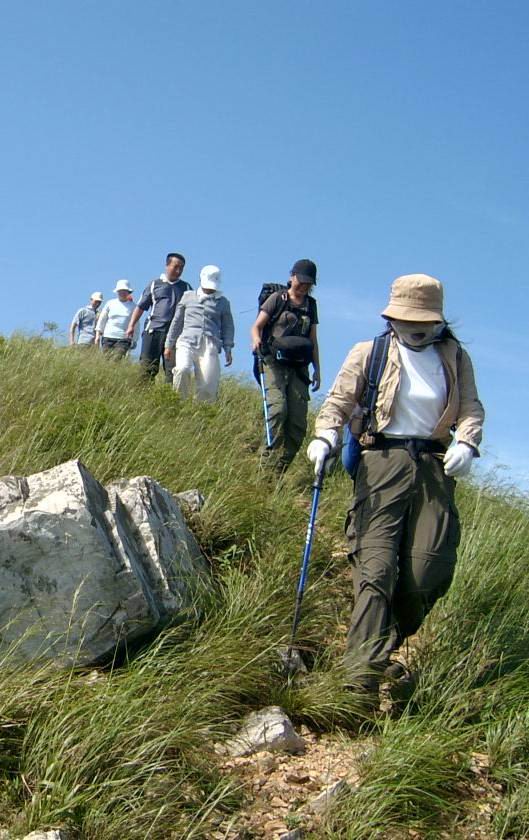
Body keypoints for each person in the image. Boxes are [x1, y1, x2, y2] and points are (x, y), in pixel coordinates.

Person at [307, 273, 485, 702]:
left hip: (435, 469)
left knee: (427, 571)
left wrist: (466, 441)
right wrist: (325, 435)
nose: (415, 329)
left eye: (423, 322)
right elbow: (338, 401)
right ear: (391, 318)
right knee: (377, 571)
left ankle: (380, 642)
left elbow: (471, 408)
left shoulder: (454, 357)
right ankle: (358, 685)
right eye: (407, 320)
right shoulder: (369, 352)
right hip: (381, 464)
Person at [251, 259, 321, 473]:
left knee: (298, 424)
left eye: (308, 283)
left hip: (299, 368)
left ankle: (279, 470)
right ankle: (265, 464)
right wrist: (256, 340)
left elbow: (313, 339)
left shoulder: (311, 306)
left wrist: (317, 369)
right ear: (292, 277)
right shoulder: (277, 299)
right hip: (273, 363)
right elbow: (257, 326)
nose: (304, 286)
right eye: (301, 281)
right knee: (278, 410)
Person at [164, 265, 234, 402]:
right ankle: (179, 402)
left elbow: (228, 327)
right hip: (187, 340)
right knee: (182, 369)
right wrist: (168, 345)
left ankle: (202, 409)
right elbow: (177, 322)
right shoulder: (188, 296)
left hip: (210, 343)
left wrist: (228, 348)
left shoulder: (223, 302)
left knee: (208, 383)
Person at [126, 253, 191, 381]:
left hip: (175, 335)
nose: (178, 271)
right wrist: (131, 325)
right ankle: (143, 391)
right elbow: (141, 307)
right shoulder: (154, 284)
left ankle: (170, 393)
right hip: (154, 330)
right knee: (147, 367)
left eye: (181, 268)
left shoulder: (187, 288)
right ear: (167, 265)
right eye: (175, 267)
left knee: (172, 371)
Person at [95, 280, 138, 358]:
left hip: (123, 338)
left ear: (128, 292)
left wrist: (134, 339)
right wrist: (98, 335)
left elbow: (136, 324)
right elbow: (102, 319)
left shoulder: (133, 307)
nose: (122, 293)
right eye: (120, 291)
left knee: (117, 358)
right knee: (106, 359)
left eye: (124, 291)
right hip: (108, 337)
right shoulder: (110, 303)